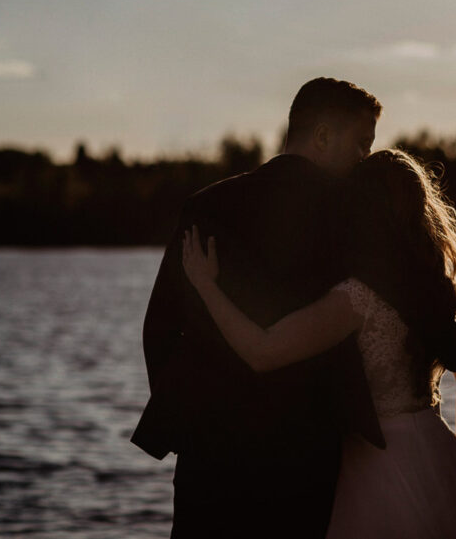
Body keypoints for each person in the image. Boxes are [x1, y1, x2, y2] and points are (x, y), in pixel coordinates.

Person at [182, 148, 456, 539]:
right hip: (437, 451)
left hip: (376, 465)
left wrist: (206, 286)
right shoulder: (437, 289)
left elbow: (262, 351)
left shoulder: (358, 299)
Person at [130, 77, 385, 538]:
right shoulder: (351, 215)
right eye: (361, 144)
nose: (364, 158)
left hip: (209, 452)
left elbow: (161, 327)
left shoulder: (207, 205)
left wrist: (191, 419)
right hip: (304, 455)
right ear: (322, 135)